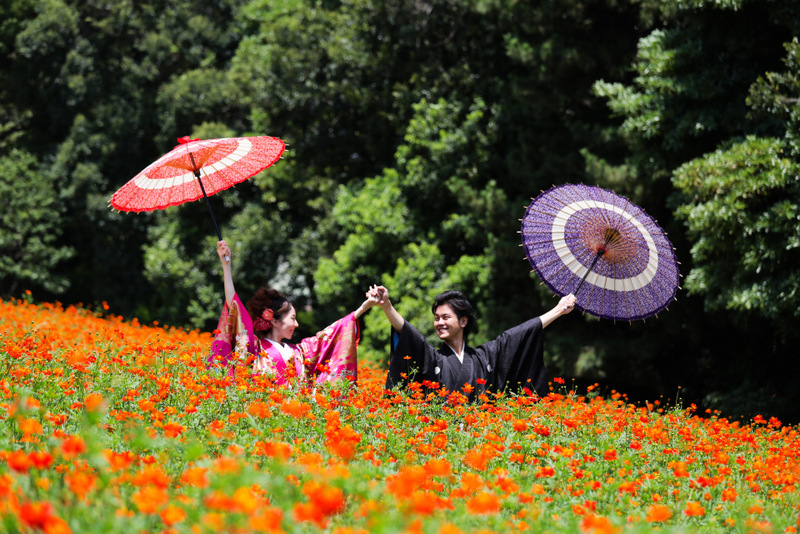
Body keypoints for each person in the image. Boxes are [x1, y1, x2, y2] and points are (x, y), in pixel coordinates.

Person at [210, 240, 379, 386]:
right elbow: (235, 309)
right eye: (292, 318)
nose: (296, 324)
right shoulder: (255, 349)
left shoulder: (301, 352)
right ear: (274, 320)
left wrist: (364, 307)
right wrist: (226, 266)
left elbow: (331, 334)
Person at [367, 285, 577, 400]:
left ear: (463, 321)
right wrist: (387, 306)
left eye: (445, 317)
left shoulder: (483, 356)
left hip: (479, 439)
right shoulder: (434, 358)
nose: (439, 323)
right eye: (436, 318)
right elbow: (409, 335)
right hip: (439, 439)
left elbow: (517, 335)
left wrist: (558, 310)